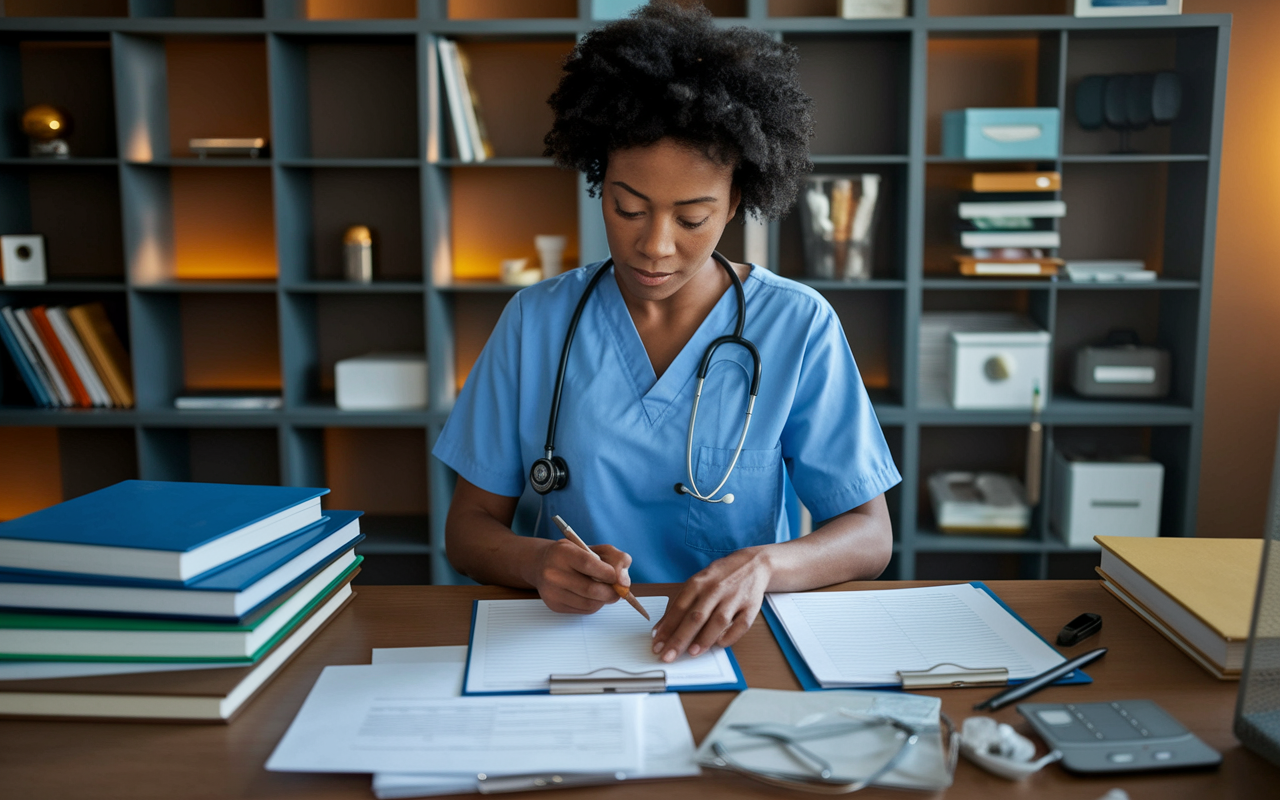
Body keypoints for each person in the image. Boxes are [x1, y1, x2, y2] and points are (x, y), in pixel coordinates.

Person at [433, 1, 901, 664]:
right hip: (568, 648)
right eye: (628, 208)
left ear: (737, 201)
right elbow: (468, 530)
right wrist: (538, 563)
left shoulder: (797, 324)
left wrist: (765, 565)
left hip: (735, 648)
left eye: (692, 217)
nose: (654, 245)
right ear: (599, 182)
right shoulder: (536, 322)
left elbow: (868, 534)